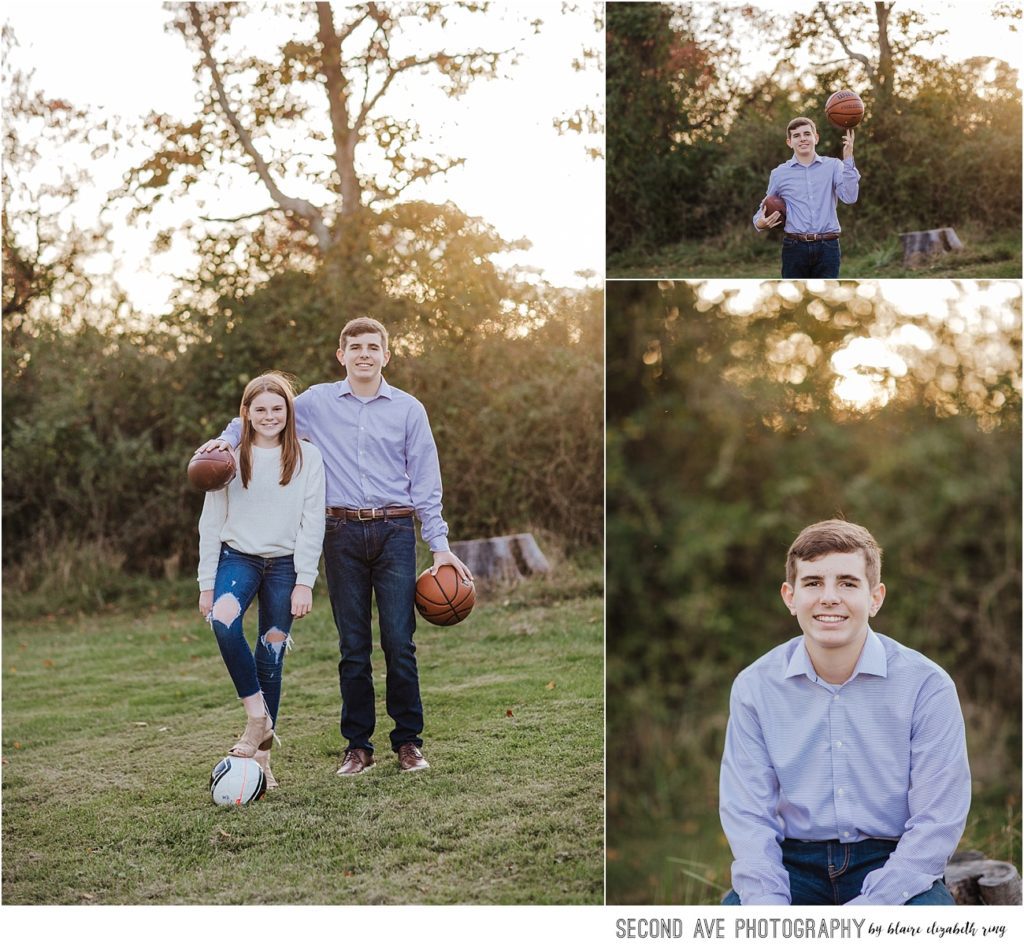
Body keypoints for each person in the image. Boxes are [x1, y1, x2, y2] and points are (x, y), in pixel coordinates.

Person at [199, 316, 472, 776]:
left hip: (395, 531)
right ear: (340, 354)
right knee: (352, 645)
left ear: (387, 355)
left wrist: (439, 543)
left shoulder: (409, 410)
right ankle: (357, 747)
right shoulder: (317, 402)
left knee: (399, 642)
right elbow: (263, 410)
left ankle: (408, 743)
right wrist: (223, 443)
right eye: (355, 347)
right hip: (341, 533)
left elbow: (427, 482)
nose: (364, 354)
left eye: (373, 347)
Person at [719, 519, 971, 906]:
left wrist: (869, 910)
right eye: (813, 582)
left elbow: (937, 821)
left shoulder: (927, 686)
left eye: (848, 583)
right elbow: (749, 815)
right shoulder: (755, 687)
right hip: (791, 865)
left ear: (876, 597)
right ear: (790, 596)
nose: (829, 597)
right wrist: (768, 905)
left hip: (891, 861)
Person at [198, 372, 326, 790]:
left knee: (271, 653)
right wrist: (205, 583)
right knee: (222, 621)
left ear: (288, 413)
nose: (270, 416)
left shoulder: (308, 457)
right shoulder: (228, 457)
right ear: (247, 414)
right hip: (240, 559)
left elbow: (313, 524)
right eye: (261, 410)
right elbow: (210, 522)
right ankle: (258, 718)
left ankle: (263, 761)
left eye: (277, 408)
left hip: (286, 565)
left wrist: (305, 580)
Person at [753, 117, 860, 278]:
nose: (802, 138)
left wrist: (848, 159)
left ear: (815, 137)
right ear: (789, 142)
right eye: (796, 136)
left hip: (828, 247)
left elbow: (850, 197)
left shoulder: (834, 166)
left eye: (807, 134)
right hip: (794, 248)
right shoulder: (779, 174)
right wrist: (759, 224)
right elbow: (763, 208)